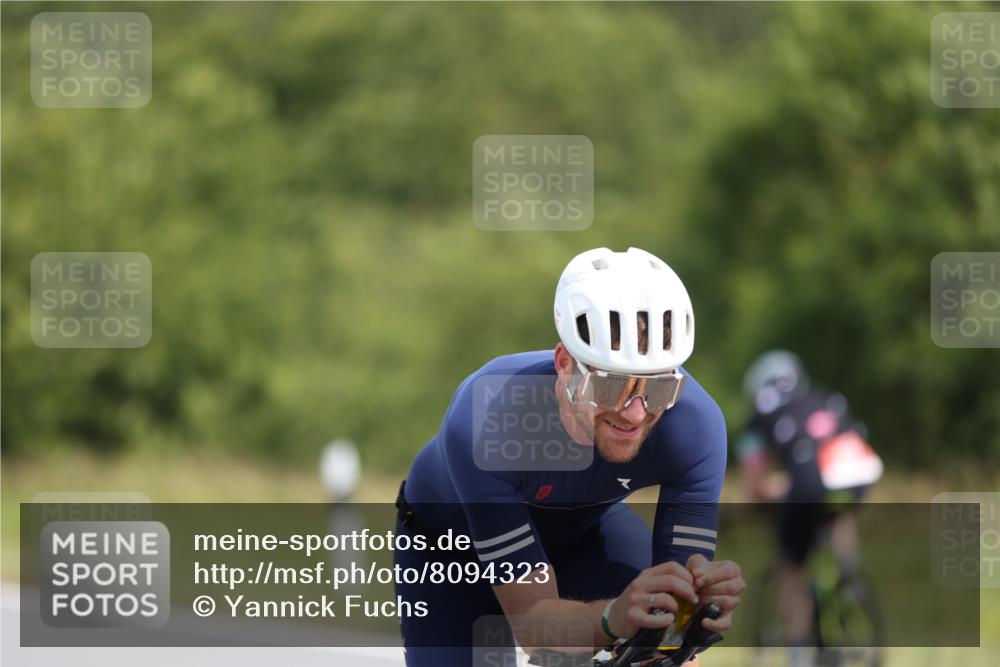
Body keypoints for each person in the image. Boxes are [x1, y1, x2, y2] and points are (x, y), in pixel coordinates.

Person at [394, 247, 745, 666]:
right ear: (565, 364)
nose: (636, 412)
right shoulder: (489, 416)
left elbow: (672, 632)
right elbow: (534, 626)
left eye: (656, 389)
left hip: (584, 534)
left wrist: (690, 622)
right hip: (451, 548)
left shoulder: (693, 424)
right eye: (613, 385)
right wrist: (614, 618)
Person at [736, 350, 882, 666]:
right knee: (837, 511)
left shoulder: (759, 414)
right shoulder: (825, 396)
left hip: (811, 480)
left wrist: (762, 501)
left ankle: (799, 652)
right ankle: (846, 582)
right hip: (861, 468)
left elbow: (755, 485)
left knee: (791, 567)